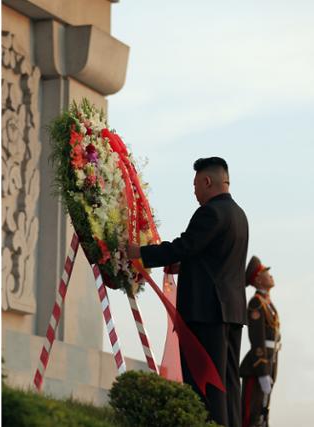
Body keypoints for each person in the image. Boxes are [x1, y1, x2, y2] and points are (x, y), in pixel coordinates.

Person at [127, 157, 249, 427]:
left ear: (207, 182)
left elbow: (185, 246)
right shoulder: (239, 215)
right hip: (231, 312)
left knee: (206, 387)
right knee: (228, 385)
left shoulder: (211, 212)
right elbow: (214, 259)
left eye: (196, 185)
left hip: (206, 312)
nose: (194, 191)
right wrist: (187, 265)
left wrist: (141, 253)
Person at [240, 256, 281, 427]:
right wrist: (263, 371)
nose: (270, 276)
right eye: (266, 273)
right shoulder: (257, 302)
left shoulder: (267, 303)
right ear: (258, 279)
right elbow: (257, 339)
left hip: (270, 362)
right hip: (258, 367)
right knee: (252, 413)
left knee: (263, 411)